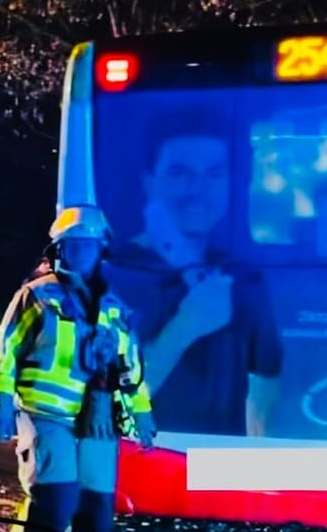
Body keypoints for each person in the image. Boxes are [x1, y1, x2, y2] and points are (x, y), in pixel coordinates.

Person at [0, 205, 157, 532]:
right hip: (45, 415)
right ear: (58, 248)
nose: (82, 251)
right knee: (55, 503)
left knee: (97, 515)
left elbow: (131, 368)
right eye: (74, 244)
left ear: (101, 250)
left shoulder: (114, 308)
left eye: (90, 244)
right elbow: (6, 353)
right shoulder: (38, 296)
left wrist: (143, 415)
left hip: (97, 422)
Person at [106, 111, 282, 437]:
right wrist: (185, 327)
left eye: (214, 174)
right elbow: (102, 401)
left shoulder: (243, 280)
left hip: (223, 470)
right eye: (179, 173)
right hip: (141, 458)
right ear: (149, 182)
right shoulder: (108, 275)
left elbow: (264, 394)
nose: (198, 190)